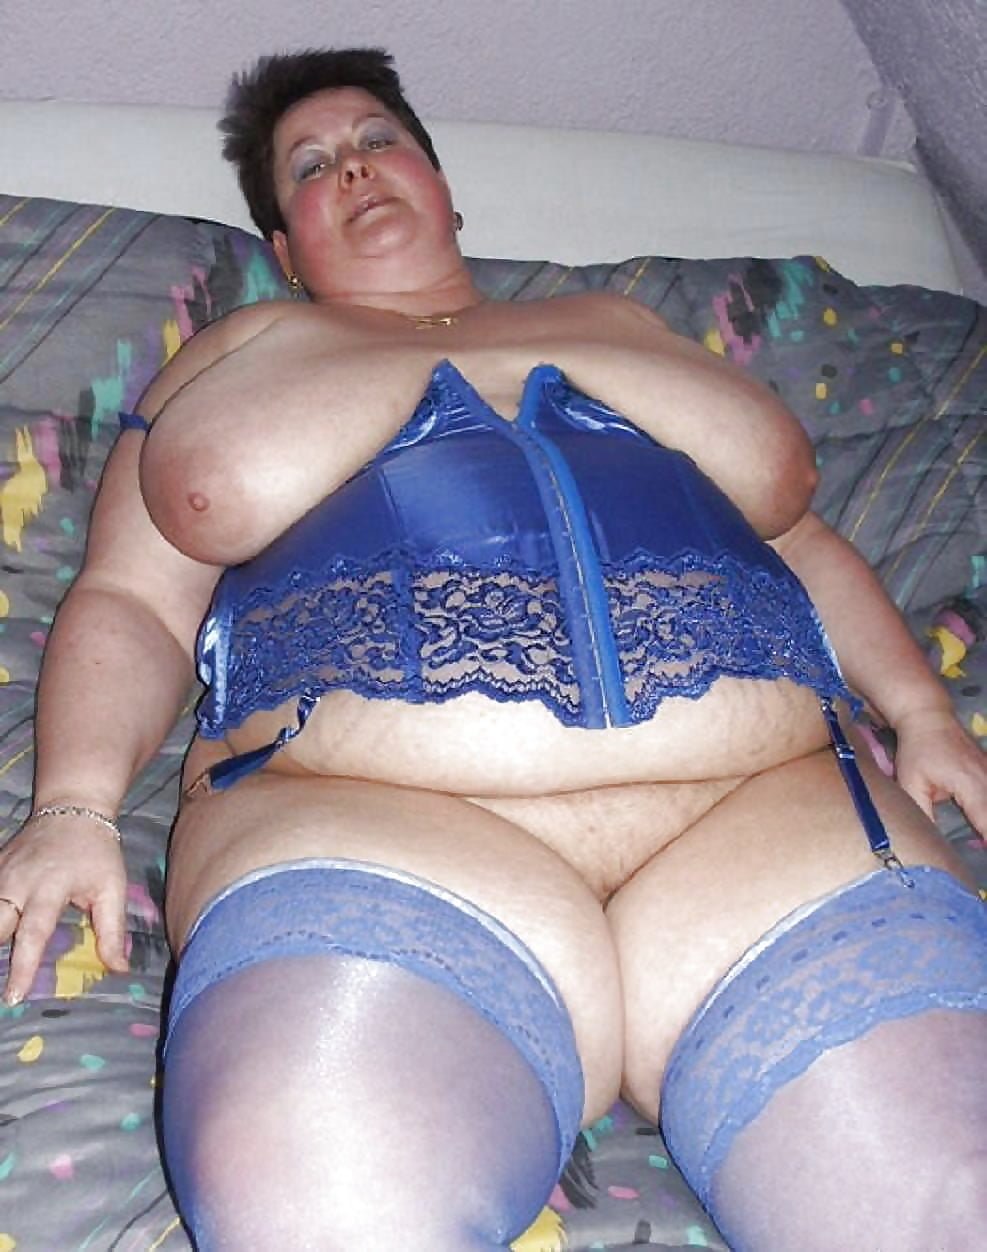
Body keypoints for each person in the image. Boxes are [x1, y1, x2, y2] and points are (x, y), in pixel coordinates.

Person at [1, 46, 985, 1251]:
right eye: (311, 165)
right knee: (313, 1191)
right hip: (364, 829)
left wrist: (921, 712)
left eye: (380, 139)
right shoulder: (235, 350)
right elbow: (134, 602)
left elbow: (799, 540)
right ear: (286, 245)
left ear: (445, 188)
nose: (353, 167)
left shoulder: (622, 324)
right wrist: (75, 806)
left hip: (775, 819)